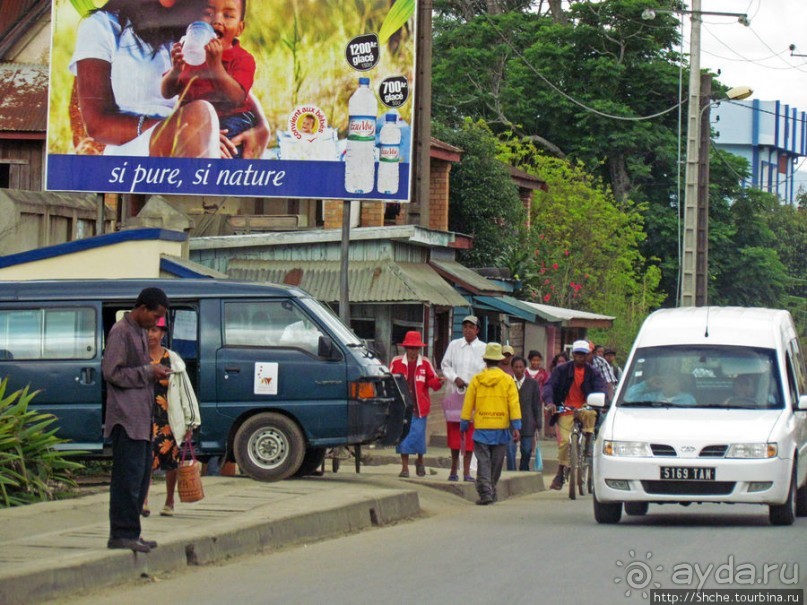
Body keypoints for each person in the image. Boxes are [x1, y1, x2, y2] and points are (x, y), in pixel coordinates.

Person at [71, 0, 269, 159]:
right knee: (201, 113)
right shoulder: (102, 26)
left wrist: (262, 126)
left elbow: (226, 83)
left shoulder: (194, 28)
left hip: (198, 139)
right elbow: (97, 124)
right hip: (132, 152)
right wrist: (187, 130)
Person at [102, 287, 170, 553]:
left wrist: (155, 373)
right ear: (142, 309)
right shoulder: (120, 332)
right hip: (126, 418)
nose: (156, 323)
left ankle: (132, 532)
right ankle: (120, 533)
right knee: (127, 479)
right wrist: (147, 372)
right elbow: (112, 372)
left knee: (140, 478)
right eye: (155, 316)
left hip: (142, 418)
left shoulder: (140, 332)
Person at [161, 0, 257, 157]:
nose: (217, 20)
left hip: (229, 119)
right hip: (192, 122)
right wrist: (175, 71)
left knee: (229, 145)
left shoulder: (242, 59)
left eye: (228, 15)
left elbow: (236, 98)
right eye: (208, 14)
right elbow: (166, 92)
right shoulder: (190, 54)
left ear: (240, 28)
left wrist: (216, 67)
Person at [142, 316, 201, 518]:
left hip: (169, 419)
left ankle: (169, 500)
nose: (151, 334)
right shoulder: (137, 359)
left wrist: (190, 421)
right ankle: (144, 500)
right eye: (147, 330)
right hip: (143, 418)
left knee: (171, 461)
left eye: (155, 330)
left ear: (163, 333)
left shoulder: (173, 360)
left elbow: (185, 392)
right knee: (145, 459)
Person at [460, 343, 521, 505]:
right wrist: (516, 425)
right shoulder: (508, 380)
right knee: (497, 462)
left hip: (482, 427)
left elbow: (468, 403)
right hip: (501, 427)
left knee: (483, 461)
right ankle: (490, 488)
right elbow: (514, 403)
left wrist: (464, 421)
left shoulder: (477, 380)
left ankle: (486, 491)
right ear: (500, 361)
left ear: (485, 360)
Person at [542, 340, 606, 491]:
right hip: (566, 408)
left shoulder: (593, 372)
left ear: (588, 356)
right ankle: (561, 470)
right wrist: (550, 402)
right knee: (564, 441)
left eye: (583, 355)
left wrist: (601, 402)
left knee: (590, 413)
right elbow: (549, 386)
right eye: (578, 354)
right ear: (573, 354)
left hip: (585, 407)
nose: (580, 358)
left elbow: (600, 389)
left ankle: (588, 442)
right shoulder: (561, 370)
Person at [389, 331, 443, 478]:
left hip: (420, 408)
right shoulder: (396, 362)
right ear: (406, 348)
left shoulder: (425, 363)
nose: (413, 351)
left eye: (416, 348)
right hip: (402, 407)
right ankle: (405, 467)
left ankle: (420, 461)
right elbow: (390, 380)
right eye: (411, 348)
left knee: (419, 436)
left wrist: (439, 382)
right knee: (403, 437)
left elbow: (432, 381)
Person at [440, 315, 486, 482]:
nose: (467, 329)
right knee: (454, 434)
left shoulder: (483, 348)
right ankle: (453, 469)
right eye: (465, 326)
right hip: (454, 394)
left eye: (471, 327)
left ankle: (466, 471)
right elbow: (445, 365)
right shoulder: (454, 345)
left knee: (470, 434)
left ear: (477, 330)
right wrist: (455, 378)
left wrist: (472, 383)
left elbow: (484, 370)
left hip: (474, 397)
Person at [505, 356, 541, 471]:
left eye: (521, 367)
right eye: (516, 367)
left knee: (526, 450)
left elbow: (536, 404)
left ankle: (523, 471)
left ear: (525, 368)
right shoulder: (508, 382)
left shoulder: (532, 383)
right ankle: (511, 472)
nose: (518, 369)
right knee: (510, 450)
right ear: (512, 368)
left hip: (528, 421)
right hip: (510, 422)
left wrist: (538, 421)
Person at [625, 374, 696, 406]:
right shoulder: (652, 397)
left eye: (678, 381)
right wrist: (646, 383)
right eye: (672, 381)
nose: (677, 384)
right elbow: (628, 397)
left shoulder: (688, 399)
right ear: (662, 384)